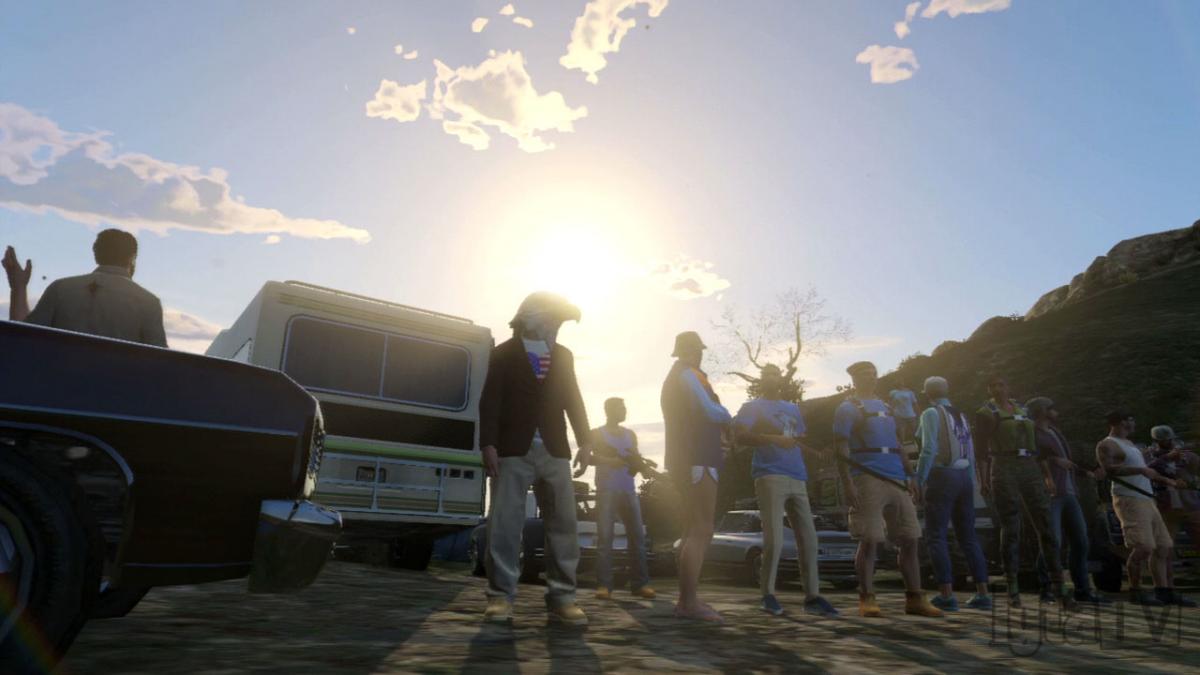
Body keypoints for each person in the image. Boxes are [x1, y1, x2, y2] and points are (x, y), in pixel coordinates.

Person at [478, 292, 594, 625]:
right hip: (512, 449)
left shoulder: (563, 355)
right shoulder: (503, 353)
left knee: (564, 524)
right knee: (504, 524)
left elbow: (573, 399)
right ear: (535, 318)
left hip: (555, 449)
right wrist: (488, 444)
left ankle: (562, 598)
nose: (558, 326)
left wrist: (586, 441)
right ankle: (500, 597)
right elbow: (490, 401)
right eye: (555, 319)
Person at [834, 361, 941, 618]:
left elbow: (898, 444)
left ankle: (915, 598)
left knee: (910, 537)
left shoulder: (886, 407)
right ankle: (867, 598)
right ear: (854, 379)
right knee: (870, 539)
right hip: (867, 477)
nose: (870, 378)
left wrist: (911, 475)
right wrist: (847, 482)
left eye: (873, 373)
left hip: (896, 479)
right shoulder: (848, 408)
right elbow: (841, 447)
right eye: (864, 374)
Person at [733, 364, 838, 618]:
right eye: (767, 374)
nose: (772, 377)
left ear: (781, 379)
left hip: (797, 476)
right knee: (775, 539)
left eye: (775, 374)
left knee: (809, 539)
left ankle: (812, 597)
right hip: (769, 474)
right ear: (761, 380)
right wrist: (772, 438)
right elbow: (740, 436)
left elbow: (797, 439)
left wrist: (818, 452)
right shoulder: (752, 407)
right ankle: (767, 595)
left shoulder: (792, 408)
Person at [973, 376, 1071, 609]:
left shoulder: (1023, 410)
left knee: (1046, 526)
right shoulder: (986, 413)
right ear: (988, 389)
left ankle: (1060, 588)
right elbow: (981, 450)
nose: (998, 388)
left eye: (1001, 384)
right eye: (993, 385)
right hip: (1003, 467)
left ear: (1008, 386)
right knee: (1011, 527)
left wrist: (1046, 474)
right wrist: (984, 479)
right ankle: (1012, 588)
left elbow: (1037, 443)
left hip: (1029, 466)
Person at [661, 331, 732, 622]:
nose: (699, 353)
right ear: (688, 351)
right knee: (702, 528)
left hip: (689, 458)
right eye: (695, 349)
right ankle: (688, 603)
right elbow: (709, 411)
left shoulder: (680, 375)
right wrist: (729, 416)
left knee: (693, 529)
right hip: (698, 457)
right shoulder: (687, 374)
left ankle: (687, 600)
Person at [3, 230, 167, 346]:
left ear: (96, 254)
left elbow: (21, 339)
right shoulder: (148, 303)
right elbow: (160, 363)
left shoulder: (60, 289)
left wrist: (18, 287)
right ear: (132, 258)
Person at [1097, 412, 1193, 606]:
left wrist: (1170, 482)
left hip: (1147, 498)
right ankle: (1136, 591)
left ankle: (1163, 592)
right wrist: (1140, 470)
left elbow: (1148, 471)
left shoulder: (1130, 444)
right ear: (1121, 422)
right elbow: (1109, 470)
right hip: (1129, 498)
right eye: (1131, 419)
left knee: (1163, 546)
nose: (1134, 422)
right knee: (1143, 547)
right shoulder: (1107, 444)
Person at [913, 376, 992, 612]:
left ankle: (946, 594)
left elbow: (928, 449)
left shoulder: (930, 413)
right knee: (968, 536)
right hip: (964, 477)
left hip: (942, 475)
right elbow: (970, 451)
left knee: (936, 535)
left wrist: (919, 479)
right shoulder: (960, 415)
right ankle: (982, 593)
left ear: (927, 393)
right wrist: (971, 481)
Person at [1026, 397, 1109, 605]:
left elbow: (1067, 461)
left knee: (1081, 541)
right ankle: (1046, 589)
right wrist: (1054, 460)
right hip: (1050, 494)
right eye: (1051, 408)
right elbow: (1032, 457)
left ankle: (1082, 590)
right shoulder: (1031, 433)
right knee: (1052, 541)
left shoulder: (1055, 432)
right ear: (1041, 411)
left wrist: (1087, 471)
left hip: (1069, 493)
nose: (1056, 411)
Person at [578, 397, 655, 601]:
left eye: (624, 407)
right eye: (621, 408)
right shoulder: (596, 433)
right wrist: (609, 461)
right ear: (610, 410)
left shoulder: (630, 434)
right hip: (606, 491)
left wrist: (644, 468)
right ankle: (604, 585)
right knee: (605, 539)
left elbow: (635, 458)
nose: (625, 411)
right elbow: (587, 457)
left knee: (637, 538)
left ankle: (641, 584)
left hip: (629, 490)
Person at [1146, 424, 1200, 594]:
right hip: (1166, 507)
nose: (1168, 443)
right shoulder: (1150, 456)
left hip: (1190, 505)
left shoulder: (1185, 454)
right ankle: (1168, 588)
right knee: (1164, 550)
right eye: (1164, 441)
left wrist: (1188, 459)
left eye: (1170, 440)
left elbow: (1195, 470)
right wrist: (1168, 457)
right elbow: (1148, 470)